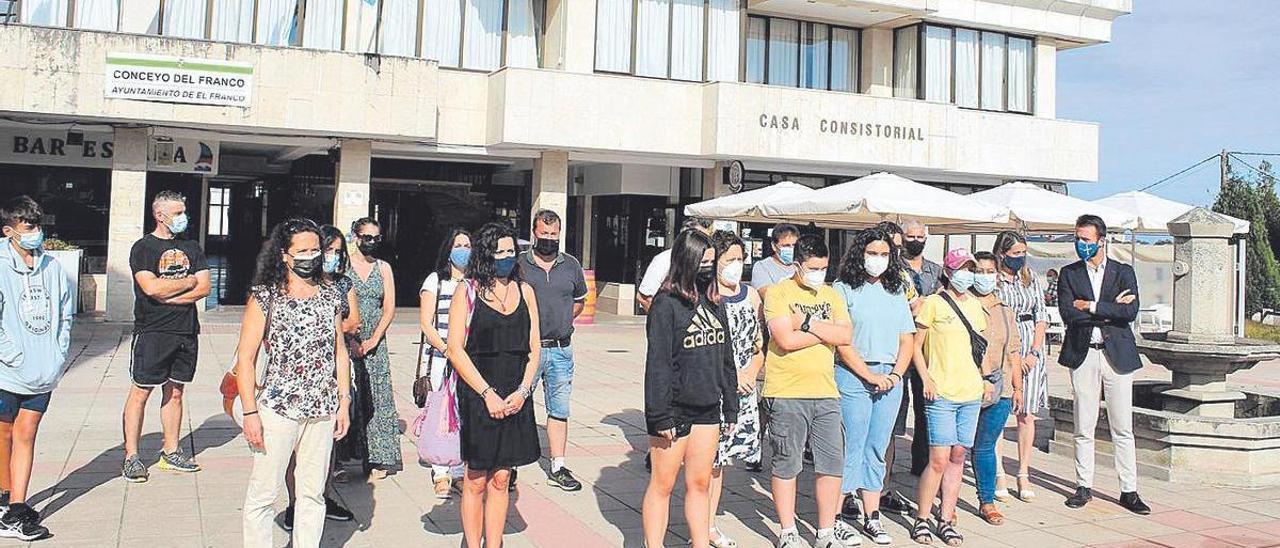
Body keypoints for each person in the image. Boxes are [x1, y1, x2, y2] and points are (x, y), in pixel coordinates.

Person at [235, 219, 352, 548]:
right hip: (277, 408)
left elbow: (339, 352)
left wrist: (344, 401)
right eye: (303, 251)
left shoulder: (330, 295)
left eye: (316, 249)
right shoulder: (265, 296)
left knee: (312, 493)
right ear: (284, 255)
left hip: (322, 408)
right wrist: (249, 413)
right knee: (263, 493)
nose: (311, 257)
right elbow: (245, 358)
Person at [445, 222, 541, 548]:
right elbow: (455, 350)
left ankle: (495, 542)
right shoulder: (467, 290)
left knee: (502, 477)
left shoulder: (526, 291)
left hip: (516, 393)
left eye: (511, 252)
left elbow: (534, 348)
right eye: (499, 252)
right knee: (476, 478)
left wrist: (523, 391)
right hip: (478, 394)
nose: (506, 258)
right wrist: (487, 394)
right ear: (485, 254)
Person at [642, 229, 739, 548]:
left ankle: (700, 542)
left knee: (699, 484)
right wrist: (660, 416)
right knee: (663, 484)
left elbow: (726, 358)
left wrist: (731, 406)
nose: (709, 269)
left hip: (708, 410)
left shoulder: (714, 301)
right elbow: (658, 365)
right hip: (674, 411)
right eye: (704, 262)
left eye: (713, 263)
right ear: (687, 262)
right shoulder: (665, 305)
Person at [762, 234, 860, 548]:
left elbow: (845, 336)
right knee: (787, 463)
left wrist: (804, 322)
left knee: (831, 464)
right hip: (787, 391)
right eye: (813, 267)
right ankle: (788, 531)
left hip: (826, 392)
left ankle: (825, 532)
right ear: (798, 264)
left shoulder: (832, 295)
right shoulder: (778, 293)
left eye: (824, 267)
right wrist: (823, 331)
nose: (819, 273)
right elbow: (784, 340)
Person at [1057, 215, 1150, 515]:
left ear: (1101, 240)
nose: (1081, 244)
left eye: (1086, 239)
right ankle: (1083, 485)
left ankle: (1129, 490)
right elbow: (1069, 315)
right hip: (1084, 354)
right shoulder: (1069, 274)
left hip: (1117, 355)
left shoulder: (1123, 272)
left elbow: (1131, 312)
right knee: (1084, 423)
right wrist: (1111, 311)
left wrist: (1092, 306)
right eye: (1078, 238)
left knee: (1122, 426)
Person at [830, 228, 915, 546]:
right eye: (872, 253)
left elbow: (908, 338)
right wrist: (868, 375)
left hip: (890, 377)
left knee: (877, 449)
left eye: (883, 254)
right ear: (859, 254)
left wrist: (894, 375)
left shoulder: (897, 289)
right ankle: (836, 515)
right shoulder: (843, 289)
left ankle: (872, 516)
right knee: (850, 447)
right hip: (854, 376)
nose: (878, 259)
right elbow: (842, 341)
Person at [122, 190, 210, 482]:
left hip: (185, 330)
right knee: (141, 392)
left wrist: (172, 294)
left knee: (175, 391)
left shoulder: (193, 247)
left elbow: (204, 288)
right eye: (177, 213)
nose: (183, 217)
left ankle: (171, 451)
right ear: (159, 215)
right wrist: (186, 282)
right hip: (152, 331)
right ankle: (131, 456)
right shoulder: (143, 248)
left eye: (183, 211)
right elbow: (151, 289)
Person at [0, 196, 73, 540]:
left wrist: (58, 354)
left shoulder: (53, 266)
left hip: (43, 370)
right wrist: (11, 354)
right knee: (4, 434)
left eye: (38, 226)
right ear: (9, 230)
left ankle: (16, 507)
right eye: (28, 227)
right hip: (7, 369)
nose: (36, 233)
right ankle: (6, 498)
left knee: (26, 434)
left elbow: (65, 313)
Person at [280, 225, 360, 530]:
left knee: (324, 448)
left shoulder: (340, 285)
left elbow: (353, 322)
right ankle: (293, 503)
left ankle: (321, 497)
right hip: (294, 381)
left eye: (337, 251)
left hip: (333, 375)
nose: (331, 257)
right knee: (292, 450)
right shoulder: (291, 286)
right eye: (327, 250)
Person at [911, 248, 986, 547]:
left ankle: (947, 517)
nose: (966, 274)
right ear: (948, 271)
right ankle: (922, 517)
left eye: (971, 268)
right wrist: (926, 377)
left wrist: (984, 379)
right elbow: (916, 345)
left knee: (958, 456)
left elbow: (978, 348)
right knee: (938, 458)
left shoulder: (976, 306)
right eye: (961, 268)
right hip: (941, 390)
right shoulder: (933, 304)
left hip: (970, 390)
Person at [518, 210, 588, 491]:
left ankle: (558, 465)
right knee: (518, 404)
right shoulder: (520, 264)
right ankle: (510, 465)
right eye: (543, 234)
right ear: (534, 233)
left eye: (553, 234)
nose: (548, 239)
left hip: (561, 349)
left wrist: (561, 320)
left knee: (559, 409)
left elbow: (579, 301)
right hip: (527, 350)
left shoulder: (571, 265)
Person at [707, 231, 763, 548]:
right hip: (712, 389)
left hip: (741, 391)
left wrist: (751, 372)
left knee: (721, 464)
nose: (736, 266)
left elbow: (760, 345)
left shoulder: (752, 296)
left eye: (740, 259)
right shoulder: (706, 296)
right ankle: (700, 525)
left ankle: (709, 525)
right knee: (706, 464)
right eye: (729, 260)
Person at [992, 231, 1049, 502]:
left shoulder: (1031, 278)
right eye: (1015, 253)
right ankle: (999, 471)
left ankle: (1023, 471)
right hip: (1005, 343)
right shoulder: (994, 280)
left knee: (1027, 414)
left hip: (1030, 343)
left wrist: (1034, 352)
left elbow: (1041, 315)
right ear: (1002, 254)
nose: (1020, 258)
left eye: (1023, 252)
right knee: (1001, 412)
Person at [969, 251, 1024, 526]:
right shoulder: (960, 303)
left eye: (990, 271)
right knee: (953, 449)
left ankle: (986, 500)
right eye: (979, 271)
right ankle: (944, 500)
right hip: (965, 385)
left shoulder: (1005, 310)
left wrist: (1018, 388)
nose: (985, 276)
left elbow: (1014, 350)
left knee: (985, 445)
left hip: (1000, 388)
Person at [419, 228, 471, 498]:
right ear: (448, 249)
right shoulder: (435, 281)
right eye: (458, 244)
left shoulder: (475, 282)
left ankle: (461, 470)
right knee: (442, 414)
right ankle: (440, 471)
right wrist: (447, 350)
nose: (463, 249)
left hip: (468, 359)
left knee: (463, 414)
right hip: (442, 359)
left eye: (467, 244)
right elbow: (426, 324)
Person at [346, 217, 400, 479]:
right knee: (349, 398)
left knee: (378, 399)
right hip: (347, 340)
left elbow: (388, 307)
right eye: (366, 237)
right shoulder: (344, 267)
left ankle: (378, 457)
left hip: (375, 342)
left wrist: (374, 339)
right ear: (356, 237)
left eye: (376, 238)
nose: (371, 243)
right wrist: (352, 340)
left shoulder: (384, 268)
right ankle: (342, 458)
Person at [637, 218, 714, 312]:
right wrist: (664, 318)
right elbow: (643, 297)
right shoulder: (664, 259)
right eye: (698, 238)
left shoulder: (710, 261)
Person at [750, 223, 801, 298]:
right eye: (786, 246)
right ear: (774, 246)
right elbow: (768, 296)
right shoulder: (762, 266)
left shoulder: (802, 266)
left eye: (794, 245)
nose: (791, 249)